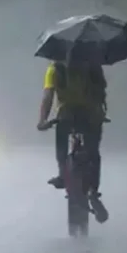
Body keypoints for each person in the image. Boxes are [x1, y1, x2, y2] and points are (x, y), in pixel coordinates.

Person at [37, 57, 107, 196]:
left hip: (67, 115)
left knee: (61, 143)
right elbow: (101, 91)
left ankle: (63, 174)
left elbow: (48, 97)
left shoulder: (54, 69)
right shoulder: (93, 66)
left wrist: (43, 120)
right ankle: (94, 187)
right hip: (91, 114)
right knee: (93, 150)